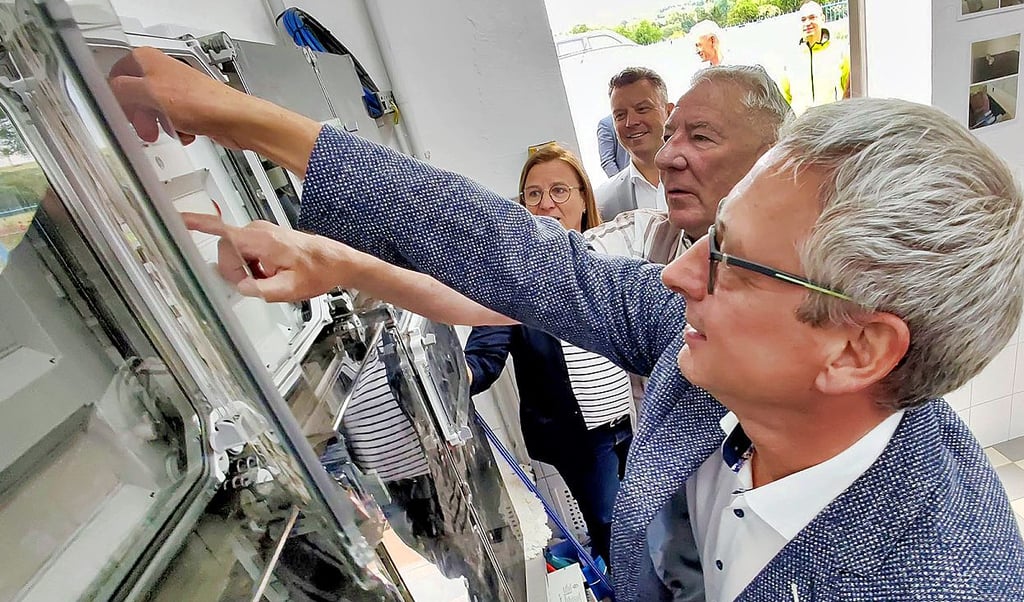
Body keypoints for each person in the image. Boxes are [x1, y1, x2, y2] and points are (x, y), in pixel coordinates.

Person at [111, 48, 1024, 600]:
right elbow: (525, 257)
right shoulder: (697, 344)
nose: (676, 273)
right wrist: (248, 126)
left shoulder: (941, 572)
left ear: (859, 347)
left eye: (730, 262)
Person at [465, 143, 632, 564]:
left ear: (582, 198)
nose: (547, 205)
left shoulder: (610, 253)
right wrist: (452, 378)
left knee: (655, 516)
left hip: (634, 417)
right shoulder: (511, 278)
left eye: (559, 191)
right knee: (612, 527)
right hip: (581, 438)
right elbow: (483, 357)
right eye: (534, 194)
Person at [587, 65, 791, 265]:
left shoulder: (816, 262)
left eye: (700, 137)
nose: (663, 158)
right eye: (668, 138)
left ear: (770, 162)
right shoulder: (643, 239)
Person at [595, 67, 673, 221]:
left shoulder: (710, 177)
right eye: (620, 115)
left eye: (642, 109)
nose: (631, 122)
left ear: (669, 111)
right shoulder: (603, 203)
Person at [779, 1, 851, 116]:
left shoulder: (840, 51)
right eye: (803, 19)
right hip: (801, 126)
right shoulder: (791, 58)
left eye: (812, 17)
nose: (808, 23)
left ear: (823, 19)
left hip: (830, 125)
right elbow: (785, 96)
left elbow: (849, 90)